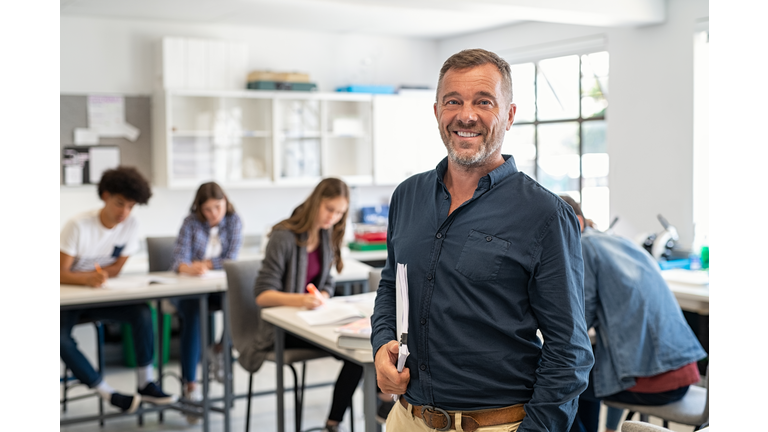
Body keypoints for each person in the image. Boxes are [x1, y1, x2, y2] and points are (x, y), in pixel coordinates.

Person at [371, 48, 594, 432]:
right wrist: (381, 346)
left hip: (496, 424)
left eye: (483, 102)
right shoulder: (407, 196)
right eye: (453, 101)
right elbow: (393, 285)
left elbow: (569, 350)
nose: (466, 115)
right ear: (437, 111)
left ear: (509, 114)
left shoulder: (544, 214)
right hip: (408, 418)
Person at [559, 196, 707, 432]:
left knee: (565, 382)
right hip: (684, 371)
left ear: (575, 222)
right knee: (591, 366)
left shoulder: (583, 246)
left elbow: (578, 322)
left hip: (657, 380)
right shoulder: (617, 242)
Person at [60, 166, 175, 413]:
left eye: (130, 206)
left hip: (99, 297)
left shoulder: (130, 225)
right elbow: (59, 273)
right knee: (58, 338)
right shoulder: (78, 226)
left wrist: (96, 278)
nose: (124, 212)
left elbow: (116, 268)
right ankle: (107, 393)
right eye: (119, 203)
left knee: (142, 312)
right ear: (105, 196)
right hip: (68, 300)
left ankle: (146, 383)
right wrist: (87, 279)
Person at [254, 178, 362, 432]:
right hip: (284, 329)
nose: (333, 218)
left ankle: (336, 421)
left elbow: (327, 282)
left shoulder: (326, 235)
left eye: (339, 213)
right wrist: (301, 300)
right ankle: (337, 423)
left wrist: (322, 293)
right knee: (356, 353)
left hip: (313, 320)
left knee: (361, 350)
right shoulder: (283, 236)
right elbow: (262, 295)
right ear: (316, 202)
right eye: (329, 209)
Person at [169, 181, 243, 422]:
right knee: (192, 315)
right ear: (199, 208)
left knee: (241, 302)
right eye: (208, 209)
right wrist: (187, 268)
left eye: (218, 207)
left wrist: (206, 264)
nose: (214, 214)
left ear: (225, 203)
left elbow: (231, 258)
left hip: (218, 288)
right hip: (191, 289)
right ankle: (191, 386)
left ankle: (220, 349)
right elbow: (180, 259)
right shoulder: (190, 223)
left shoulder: (234, 221)